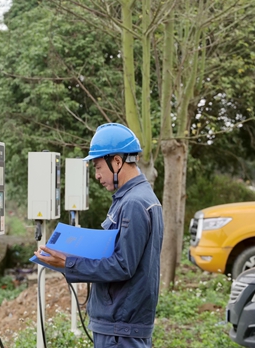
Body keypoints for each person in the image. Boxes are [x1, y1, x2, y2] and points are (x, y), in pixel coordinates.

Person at [34, 123, 164, 348]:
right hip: (119, 325)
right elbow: (114, 253)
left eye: (98, 167)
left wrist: (68, 262)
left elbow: (123, 266)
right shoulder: (133, 198)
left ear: (117, 161)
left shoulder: (134, 203)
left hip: (120, 328)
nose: (96, 175)